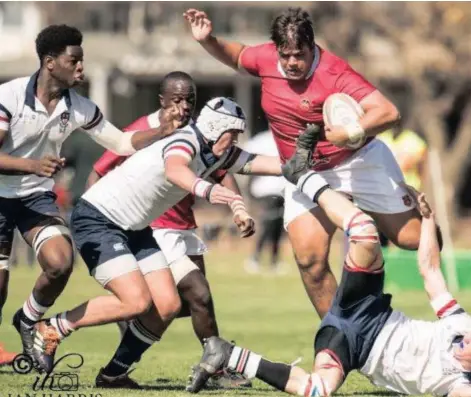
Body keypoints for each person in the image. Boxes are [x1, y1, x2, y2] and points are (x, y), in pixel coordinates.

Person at [186, 127, 471, 396]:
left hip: (352, 348)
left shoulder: (461, 382)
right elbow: (430, 271)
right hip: (370, 308)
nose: (469, 337)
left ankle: (227, 354)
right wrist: (428, 219)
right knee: (363, 231)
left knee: (317, 392)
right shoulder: (460, 325)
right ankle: (305, 177)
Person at [184, 7, 435, 318]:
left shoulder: (334, 72)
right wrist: (207, 41)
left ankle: (395, 207)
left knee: (413, 239)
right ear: (276, 49)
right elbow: (236, 55)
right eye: (285, 55)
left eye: (299, 55)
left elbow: (388, 112)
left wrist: (347, 133)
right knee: (310, 261)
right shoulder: (265, 59)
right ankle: (341, 338)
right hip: (306, 172)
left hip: (357, 161)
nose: (291, 63)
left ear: (312, 46)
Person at [28, 97, 282, 383]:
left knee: (168, 305)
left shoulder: (218, 150)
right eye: (232, 134)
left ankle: (113, 374)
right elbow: (176, 169)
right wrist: (208, 191)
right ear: (215, 128)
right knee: (136, 302)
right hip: (98, 219)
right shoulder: (186, 140)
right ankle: (51, 328)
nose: (236, 140)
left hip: (134, 227)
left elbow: (265, 164)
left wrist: (306, 160)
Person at [0, 24, 183, 362]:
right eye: (75, 61)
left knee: (61, 263)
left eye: (81, 60)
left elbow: (122, 143)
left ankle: (27, 319)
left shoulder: (80, 107)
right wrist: (32, 166)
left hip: (34, 198)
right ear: (50, 62)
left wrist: (161, 130)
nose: (81, 67)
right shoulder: (8, 97)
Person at [86, 73, 252, 389]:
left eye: (190, 99)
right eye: (177, 99)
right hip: (154, 228)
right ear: (161, 100)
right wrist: (103, 229)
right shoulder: (144, 129)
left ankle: (129, 336)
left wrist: (237, 206)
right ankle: (215, 368)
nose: (184, 106)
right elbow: (98, 171)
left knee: (193, 305)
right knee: (198, 293)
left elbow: (221, 170)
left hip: (184, 226)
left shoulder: (199, 132)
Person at [242, 130, 287, 274]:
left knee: (278, 228)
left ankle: (274, 261)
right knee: (268, 225)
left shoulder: (286, 136)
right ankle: (255, 258)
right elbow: (246, 158)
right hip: (266, 190)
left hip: (282, 191)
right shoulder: (262, 139)